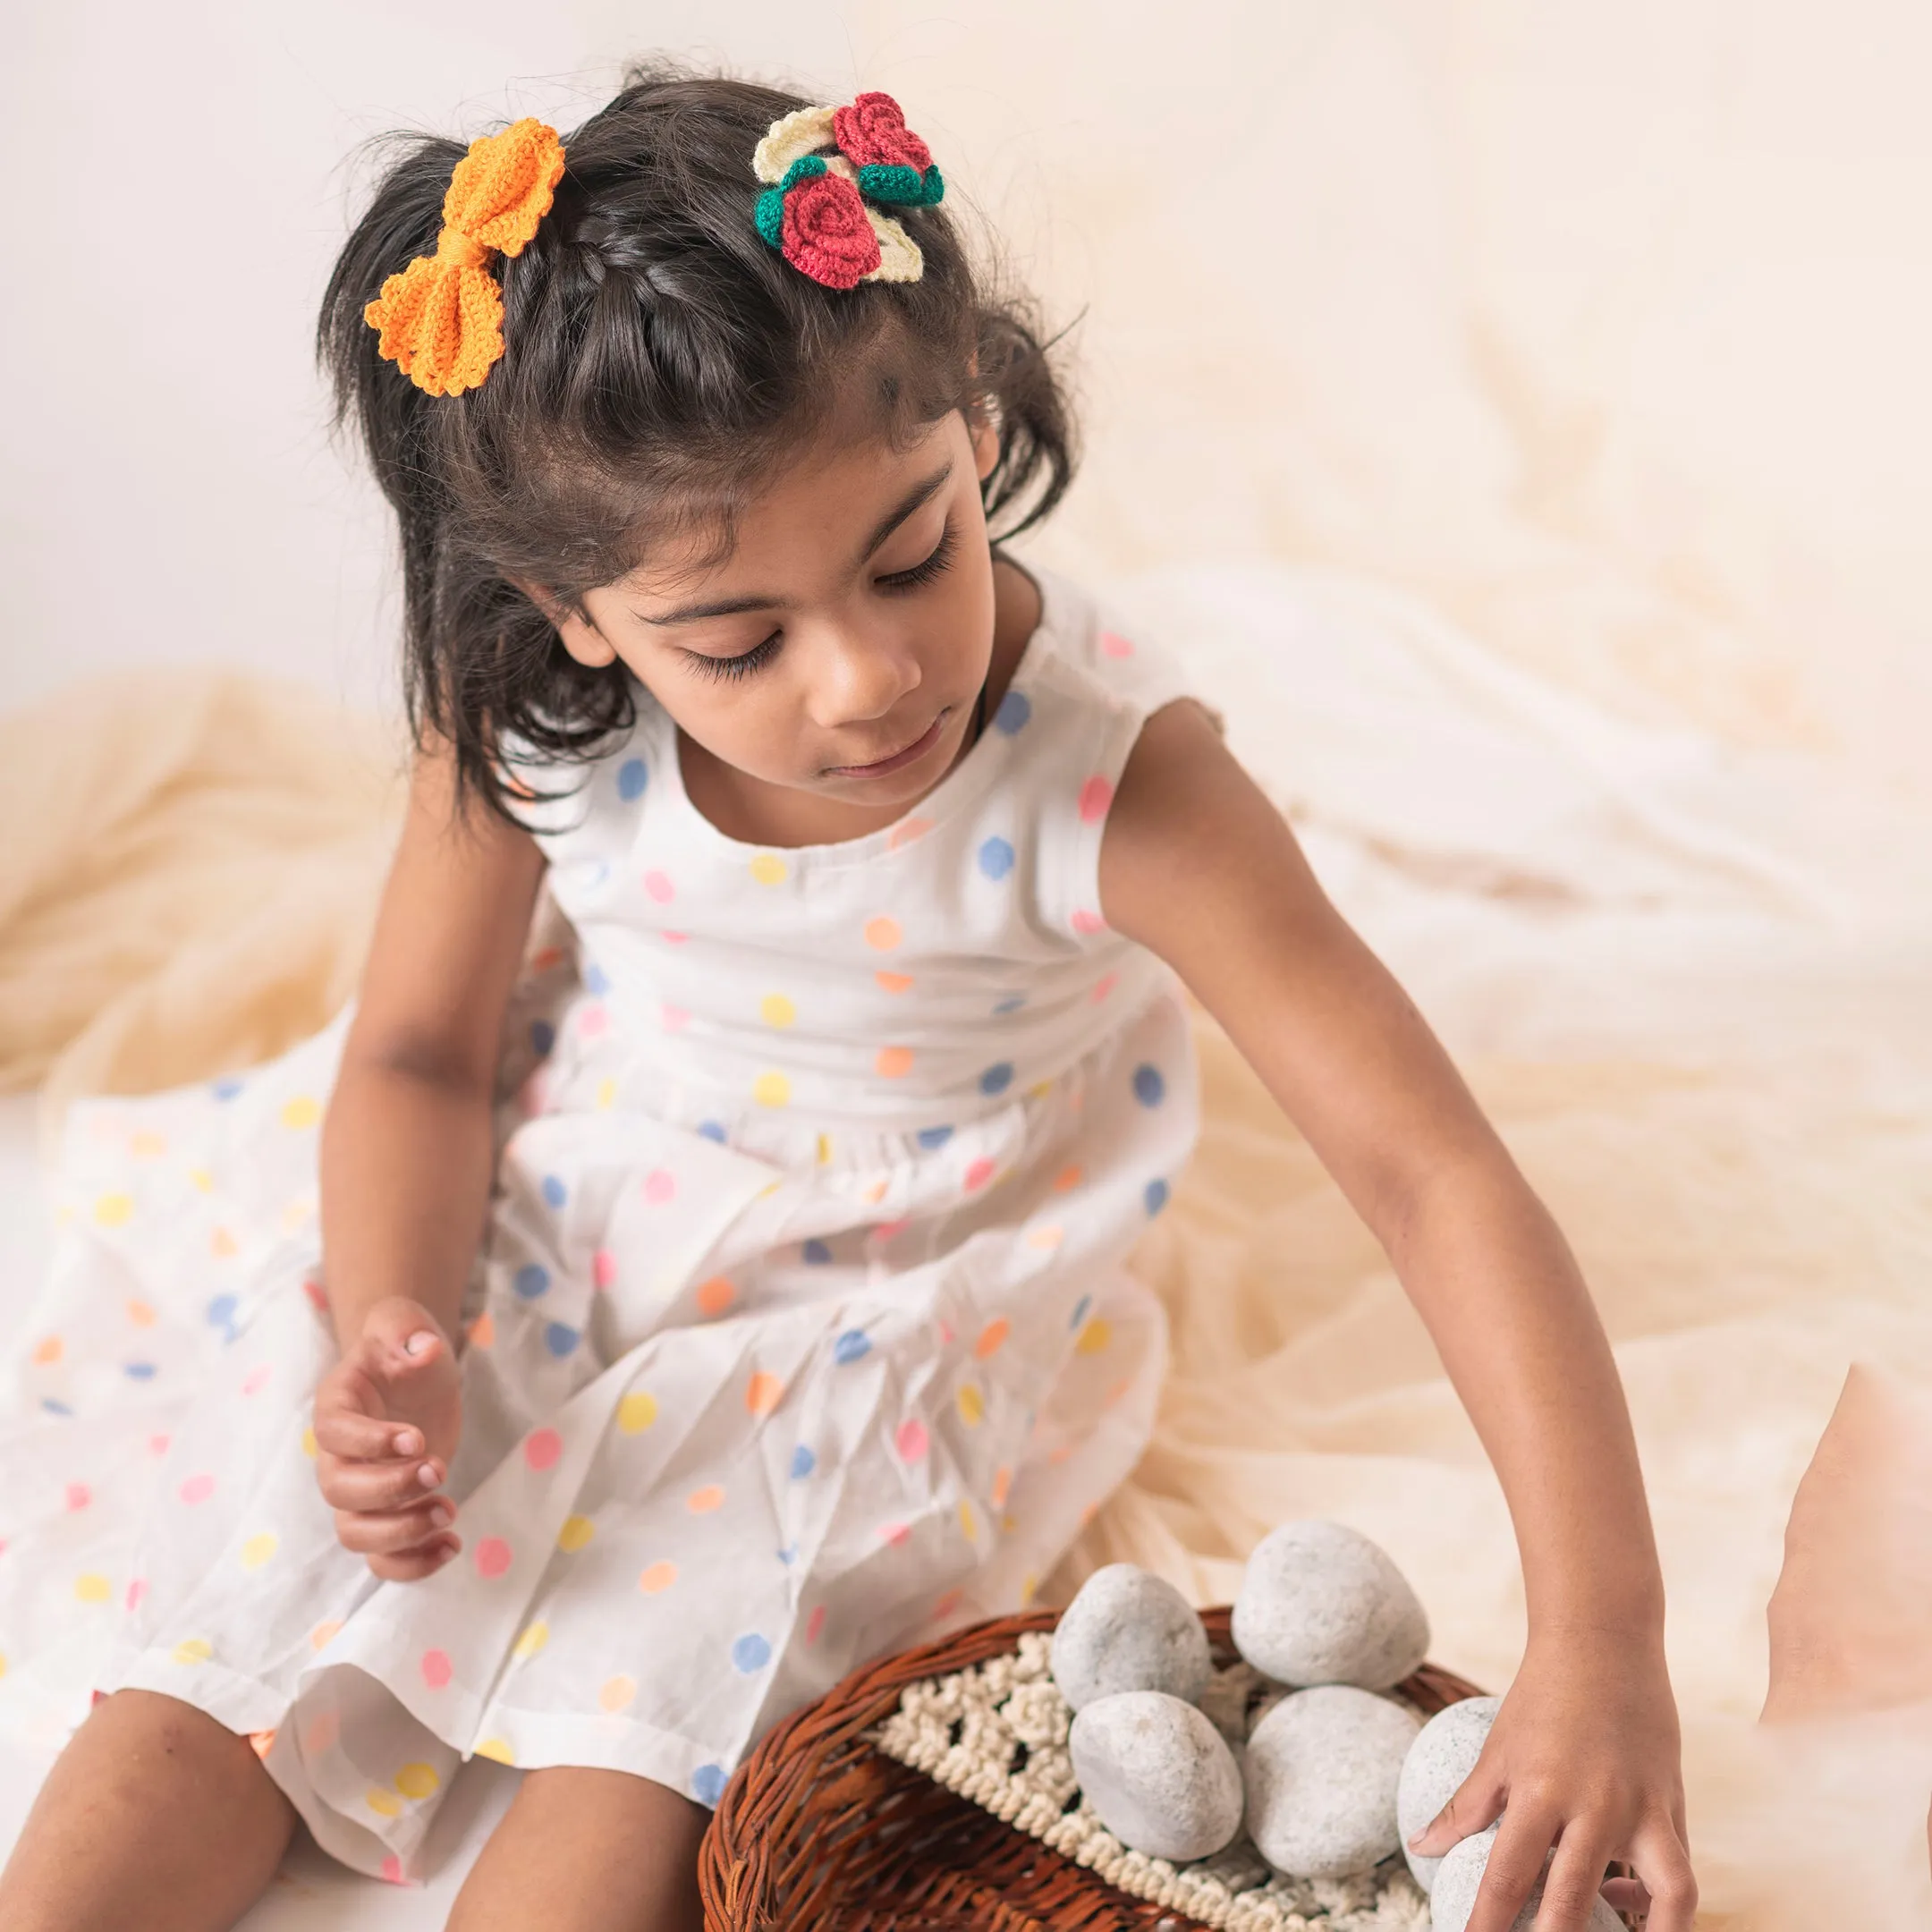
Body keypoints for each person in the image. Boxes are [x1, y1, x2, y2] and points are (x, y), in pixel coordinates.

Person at [0, 65, 1696, 1932]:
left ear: (974, 430)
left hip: (886, 1313)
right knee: (242, 1642)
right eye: (739, 642)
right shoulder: (527, 722)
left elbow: (1432, 1172)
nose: (871, 675)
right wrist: (394, 1328)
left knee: (638, 1746)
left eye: (916, 553)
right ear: (576, 614)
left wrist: (1602, 1630)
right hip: (561, 1211)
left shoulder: (1125, 789)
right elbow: (417, 1050)